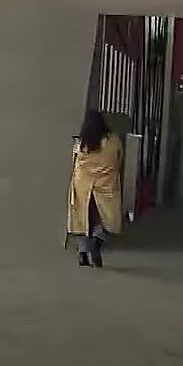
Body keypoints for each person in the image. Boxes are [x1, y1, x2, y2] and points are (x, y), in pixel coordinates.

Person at [68, 108, 123, 267]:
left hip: (83, 186)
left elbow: (75, 162)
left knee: (82, 220)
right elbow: (118, 159)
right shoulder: (113, 141)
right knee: (106, 220)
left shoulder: (81, 143)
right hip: (105, 186)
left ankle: (83, 254)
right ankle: (96, 242)